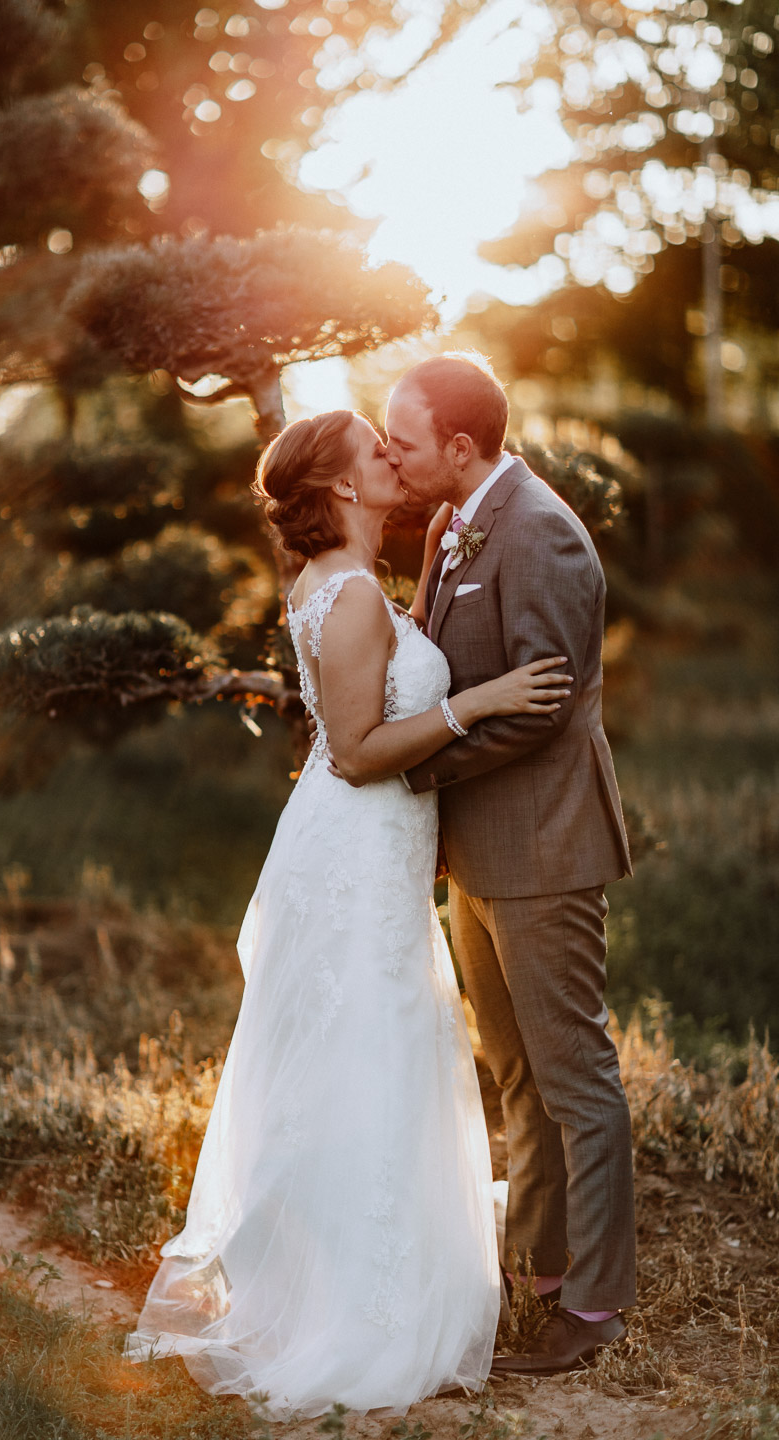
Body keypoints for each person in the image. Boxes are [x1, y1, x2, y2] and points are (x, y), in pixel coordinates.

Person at [124, 408, 573, 1417]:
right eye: (373, 448)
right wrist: (485, 699)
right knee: (372, 1050)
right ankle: (358, 1316)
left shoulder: (343, 585)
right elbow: (364, 750)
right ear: (335, 485)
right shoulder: (357, 597)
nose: (390, 455)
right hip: (359, 843)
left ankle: (343, 1286)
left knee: (359, 1055)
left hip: (361, 842)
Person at [384, 352, 636, 1376]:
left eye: (405, 444)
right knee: (515, 1074)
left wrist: (411, 770)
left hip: (542, 846)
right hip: (477, 854)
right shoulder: (453, 525)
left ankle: (595, 1308)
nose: (394, 460)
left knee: (577, 1078)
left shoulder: (545, 537)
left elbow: (544, 710)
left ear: (460, 444)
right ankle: (535, 1273)